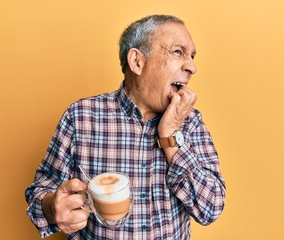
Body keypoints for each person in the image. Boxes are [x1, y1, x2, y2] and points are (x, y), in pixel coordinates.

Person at [25, 14, 226, 239]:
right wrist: (52, 208)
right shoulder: (80, 117)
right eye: (178, 52)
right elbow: (39, 192)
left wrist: (170, 135)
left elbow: (211, 208)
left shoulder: (189, 122)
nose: (192, 66)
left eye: (192, 56)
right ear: (137, 62)